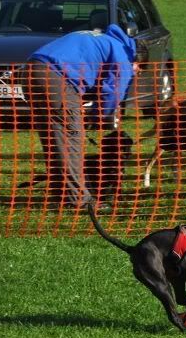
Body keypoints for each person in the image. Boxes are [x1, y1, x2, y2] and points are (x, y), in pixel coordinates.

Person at [26, 16, 136, 208]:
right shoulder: (124, 53)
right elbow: (114, 91)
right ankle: (79, 200)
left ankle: (60, 195)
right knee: (71, 141)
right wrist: (98, 117)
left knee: (54, 139)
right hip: (56, 78)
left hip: (30, 70)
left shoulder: (100, 38)